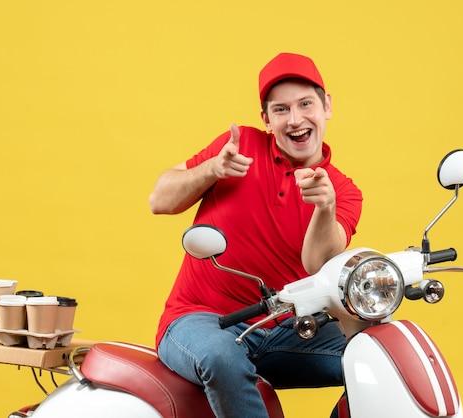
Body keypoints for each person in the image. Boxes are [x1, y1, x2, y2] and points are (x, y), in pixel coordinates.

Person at [149, 52, 363, 418]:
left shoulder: (343, 191)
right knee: (221, 355)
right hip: (200, 318)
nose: (295, 120)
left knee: (376, 355)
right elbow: (159, 200)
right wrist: (212, 169)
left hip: (286, 329)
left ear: (327, 106)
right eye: (281, 110)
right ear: (266, 119)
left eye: (305, 104)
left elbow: (317, 265)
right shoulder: (240, 147)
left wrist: (324, 208)